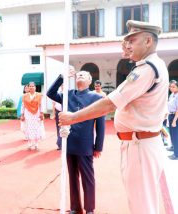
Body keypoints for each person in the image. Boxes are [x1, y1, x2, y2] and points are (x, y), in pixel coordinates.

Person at [58, 20, 168, 214]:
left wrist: (72, 118)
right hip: (139, 142)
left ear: (148, 40)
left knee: (142, 206)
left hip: (140, 145)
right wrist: (130, 53)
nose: (127, 46)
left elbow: (109, 103)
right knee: (140, 201)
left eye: (132, 40)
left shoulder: (146, 69)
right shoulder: (150, 65)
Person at [47, 70, 105, 214]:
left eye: (84, 74)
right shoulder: (68, 95)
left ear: (90, 81)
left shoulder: (97, 98)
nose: (80, 75)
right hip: (69, 142)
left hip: (85, 144)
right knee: (73, 178)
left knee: (88, 179)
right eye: (78, 74)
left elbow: (101, 124)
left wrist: (98, 147)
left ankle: (90, 209)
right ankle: (75, 207)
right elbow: (50, 93)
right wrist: (62, 77)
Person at [20, 81, 44, 150]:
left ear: (35, 87)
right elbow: (23, 106)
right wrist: (22, 114)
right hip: (28, 114)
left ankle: (36, 144)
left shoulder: (39, 95)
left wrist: (41, 113)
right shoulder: (25, 96)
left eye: (33, 86)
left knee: (37, 128)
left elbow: (41, 105)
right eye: (30, 86)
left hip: (37, 114)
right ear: (28, 87)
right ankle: (30, 144)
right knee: (28, 128)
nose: (31, 87)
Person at [167, 80, 178, 160]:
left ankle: (176, 154)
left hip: (175, 116)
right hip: (171, 115)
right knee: (171, 133)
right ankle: (173, 147)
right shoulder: (172, 95)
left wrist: (174, 120)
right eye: (170, 87)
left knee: (175, 135)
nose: (171, 88)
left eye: (173, 86)